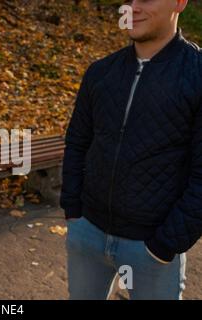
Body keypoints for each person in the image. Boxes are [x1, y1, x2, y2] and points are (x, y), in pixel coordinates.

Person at [60, 0, 201, 299]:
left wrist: (165, 245)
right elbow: (77, 143)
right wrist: (73, 210)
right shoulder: (100, 72)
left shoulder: (197, 76)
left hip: (152, 249)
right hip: (88, 234)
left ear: (180, 2)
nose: (133, 7)